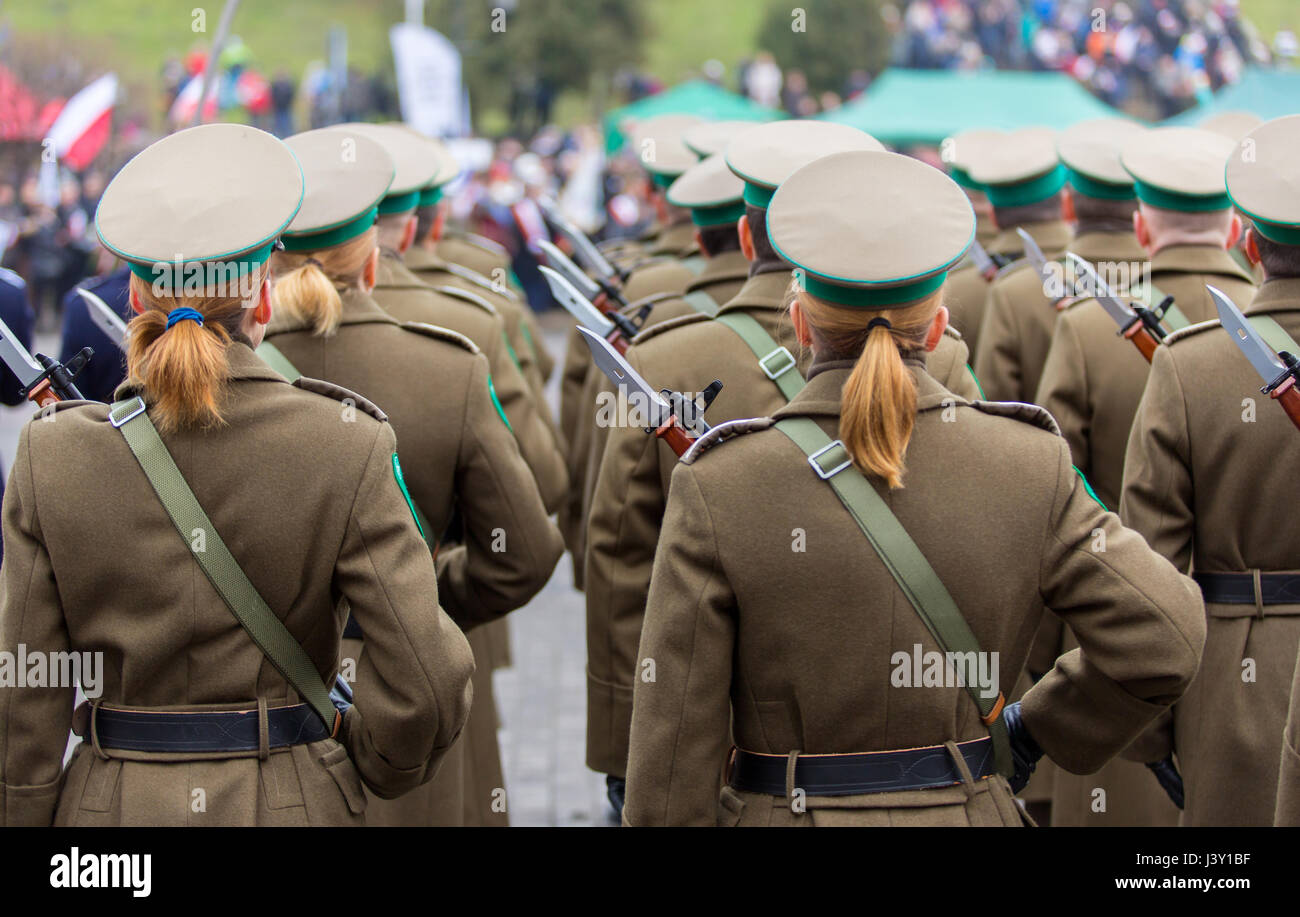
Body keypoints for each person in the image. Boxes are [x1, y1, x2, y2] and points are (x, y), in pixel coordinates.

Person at [622, 149, 1205, 827]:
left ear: (802, 323)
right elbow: (1167, 635)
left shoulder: (718, 482)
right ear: (936, 325)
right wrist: (1035, 729)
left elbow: (669, 769)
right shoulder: (1028, 462)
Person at [0, 123, 474, 826]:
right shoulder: (345, 443)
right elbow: (428, 677)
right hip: (291, 798)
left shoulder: (50, 457)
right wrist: (375, 762)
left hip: (110, 823)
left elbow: (23, 698)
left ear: (134, 298)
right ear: (261, 297)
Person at [585, 121, 983, 818]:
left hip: (738, 747)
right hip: (914, 746)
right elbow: (974, 536)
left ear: (745, 238)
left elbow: (618, 558)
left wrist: (626, 747)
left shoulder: (663, 362)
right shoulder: (938, 358)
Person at [260, 127, 562, 827]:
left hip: (266, 725)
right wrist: (423, 597)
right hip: (407, 697)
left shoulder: (201, 378)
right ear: (375, 256)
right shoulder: (448, 359)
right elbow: (528, 547)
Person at [1121, 114, 1300, 827]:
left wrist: (1155, 731)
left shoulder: (1190, 365)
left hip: (1235, 677)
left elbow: (1150, 576)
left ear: (1248, 243)